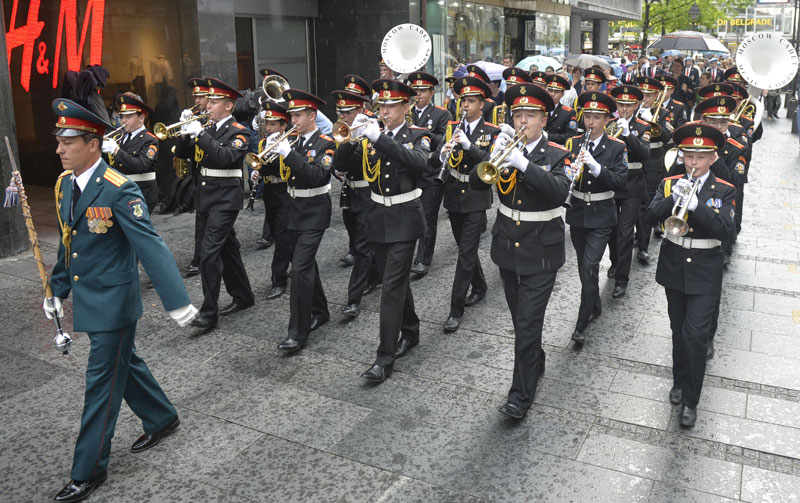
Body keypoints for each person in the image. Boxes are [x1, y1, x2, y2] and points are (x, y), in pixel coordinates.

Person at [47, 98, 197, 502]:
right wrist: (55, 290)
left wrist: (177, 302)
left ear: (93, 144)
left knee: (100, 385)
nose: (60, 149)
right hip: (88, 297)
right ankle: (162, 417)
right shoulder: (66, 185)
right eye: (59, 141)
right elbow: (68, 245)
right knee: (123, 364)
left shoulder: (119, 189)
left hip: (114, 304)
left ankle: (87, 470)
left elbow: (151, 247)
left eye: (68, 142)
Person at [469, 83, 571, 419]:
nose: (523, 120)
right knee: (520, 319)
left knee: (527, 322)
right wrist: (492, 154)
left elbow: (559, 192)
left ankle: (520, 396)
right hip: (507, 246)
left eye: (530, 115)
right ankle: (535, 358)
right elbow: (475, 182)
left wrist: (524, 165)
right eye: (518, 114)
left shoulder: (558, 153)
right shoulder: (504, 146)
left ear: (545, 118)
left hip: (541, 248)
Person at [337, 79, 431, 383]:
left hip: (405, 218)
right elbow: (339, 167)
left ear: (406, 107)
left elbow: (418, 163)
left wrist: (379, 137)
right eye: (382, 106)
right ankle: (411, 329)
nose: (385, 111)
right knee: (397, 280)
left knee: (391, 286)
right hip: (376, 216)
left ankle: (383, 358)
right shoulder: (366, 136)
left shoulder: (419, 135)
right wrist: (350, 140)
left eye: (392, 106)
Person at [645, 123, 736, 427]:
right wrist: (675, 198)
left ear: (712, 157)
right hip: (674, 266)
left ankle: (691, 400)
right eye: (688, 157)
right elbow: (649, 217)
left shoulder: (724, 189)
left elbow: (726, 232)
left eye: (700, 157)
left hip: (705, 270)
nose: (693, 164)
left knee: (695, 335)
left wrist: (698, 206)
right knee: (678, 329)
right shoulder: (670, 183)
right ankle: (679, 379)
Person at [175, 78, 255, 330]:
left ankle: (209, 312)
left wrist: (200, 133)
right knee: (227, 248)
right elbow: (182, 155)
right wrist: (187, 136)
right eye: (208, 101)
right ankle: (243, 295)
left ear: (229, 106)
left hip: (226, 199)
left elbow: (226, 157)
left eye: (214, 101)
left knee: (209, 254)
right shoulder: (206, 128)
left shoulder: (239, 132)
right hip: (206, 197)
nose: (207, 105)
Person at [432, 75, 499, 332]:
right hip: (453, 193)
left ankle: (455, 310)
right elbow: (435, 161)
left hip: (475, 195)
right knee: (464, 247)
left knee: (465, 253)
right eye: (463, 102)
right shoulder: (452, 128)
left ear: (482, 104)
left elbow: (488, 162)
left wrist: (468, 145)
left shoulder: (491, 132)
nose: (465, 106)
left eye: (471, 102)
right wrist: (441, 153)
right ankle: (480, 285)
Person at [271, 89, 335, 353]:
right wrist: (266, 158)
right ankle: (321, 311)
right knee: (305, 265)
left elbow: (317, 176)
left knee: (298, 269)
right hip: (293, 209)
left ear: (312, 115)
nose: (293, 120)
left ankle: (297, 333)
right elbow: (275, 170)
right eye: (292, 115)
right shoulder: (292, 142)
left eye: (298, 115)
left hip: (315, 211)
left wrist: (287, 154)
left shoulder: (327, 143)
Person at [566, 92, 627, 344]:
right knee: (584, 267)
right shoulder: (572, 143)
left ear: (606, 119)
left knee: (590, 266)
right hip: (578, 212)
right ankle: (595, 303)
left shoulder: (616, 147)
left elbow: (620, 182)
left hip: (602, 215)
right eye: (587, 116)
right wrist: (567, 172)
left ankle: (581, 323)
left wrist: (596, 167)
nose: (590, 122)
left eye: (596, 117)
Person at [331, 88, 381, 318]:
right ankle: (374, 276)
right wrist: (349, 140)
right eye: (340, 111)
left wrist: (364, 134)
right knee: (358, 242)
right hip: (349, 194)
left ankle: (353, 299)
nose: (343, 117)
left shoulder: (373, 130)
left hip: (368, 195)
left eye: (347, 112)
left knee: (362, 247)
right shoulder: (344, 132)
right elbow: (337, 164)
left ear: (360, 110)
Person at [606, 84, 651, 299]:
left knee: (625, 233)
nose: (624, 109)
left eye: (628, 105)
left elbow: (644, 154)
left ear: (636, 105)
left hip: (633, 185)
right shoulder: (609, 125)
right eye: (620, 104)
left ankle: (621, 280)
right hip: (613, 183)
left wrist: (628, 135)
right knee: (612, 230)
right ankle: (615, 263)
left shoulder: (643, 127)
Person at [406, 72, 450, 277]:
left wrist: (420, 131)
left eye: (422, 90)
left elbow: (442, 141)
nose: (418, 94)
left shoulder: (442, 114)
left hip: (431, 172)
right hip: (409, 171)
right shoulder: (405, 112)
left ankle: (423, 258)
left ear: (431, 92)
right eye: (415, 90)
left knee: (428, 215)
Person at [251, 101, 295, 301]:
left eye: (272, 125)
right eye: (267, 124)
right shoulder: (263, 143)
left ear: (283, 125)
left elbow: (284, 167)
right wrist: (256, 172)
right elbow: (260, 164)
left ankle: (278, 280)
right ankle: (297, 264)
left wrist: (271, 157)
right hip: (270, 193)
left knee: (282, 239)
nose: (268, 129)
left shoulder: (291, 142)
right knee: (280, 235)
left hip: (285, 193)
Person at [633, 76, 670, 265]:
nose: (645, 99)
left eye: (649, 95)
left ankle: (643, 246)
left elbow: (669, 136)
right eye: (643, 95)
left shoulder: (662, 112)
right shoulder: (632, 110)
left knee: (645, 202)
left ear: (657, 96)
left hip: (654, 161)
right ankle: (636, 235)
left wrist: (653, 121)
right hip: (633, 160)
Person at [101, 93, 160, 210]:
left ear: (141, 117)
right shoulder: (121, 137)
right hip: (123, 192)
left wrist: (116, 150)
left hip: (142, 194)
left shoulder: (150, 140)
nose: (123, 121)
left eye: (128, 117)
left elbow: (141, 165)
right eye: (122, 116)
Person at [177, 77, 209, 278]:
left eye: (201, 96)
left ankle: (199, 259)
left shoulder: (211, 120)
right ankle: (201, 257)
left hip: (216, 178)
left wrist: (199, 128)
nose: (196, 100)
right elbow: (183, 153)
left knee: (207, 221)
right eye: (195, 96)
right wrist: (183, 133)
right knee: (203, 220)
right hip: (199, 176)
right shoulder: (195, 117)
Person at [544, 74, 578, 145]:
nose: (552, 94)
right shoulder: (540, 109)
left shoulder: (568, 113)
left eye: (556, 92)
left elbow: (571, 136)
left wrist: (548, 136)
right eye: (550, 91)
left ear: (562, 94)